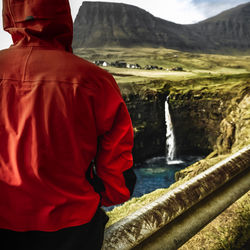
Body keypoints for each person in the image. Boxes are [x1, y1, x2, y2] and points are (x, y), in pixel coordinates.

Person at [0, 0, 136, 249]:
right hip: (72, 225)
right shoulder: (95, 80)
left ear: (9, 13)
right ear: (63, 14)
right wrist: (107, 195)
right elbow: (117, 160)